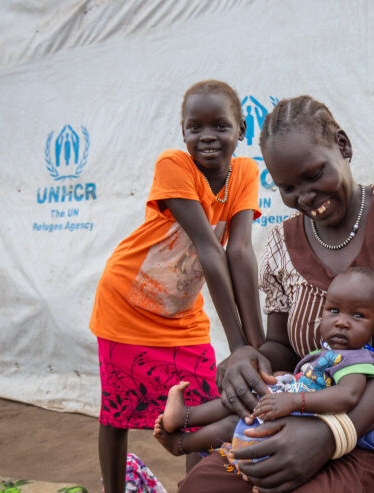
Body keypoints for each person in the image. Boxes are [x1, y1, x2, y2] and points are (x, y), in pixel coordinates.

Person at [178, 95, 374, 492]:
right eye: (288, 187)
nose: (305, 197)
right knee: (203, 487)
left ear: (343, 146)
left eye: (313, 175)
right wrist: (249, 358)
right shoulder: (280, 243)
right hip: (297, 417)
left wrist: (333, 434)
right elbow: (282, 347)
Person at [88, 79, 265, 493]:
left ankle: (193, 487)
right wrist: (239, 344)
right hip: (125, 303)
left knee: (198, 407)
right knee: (116, 413)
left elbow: (239, 252)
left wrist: (258, 346)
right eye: (194, 128)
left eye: (220, 126)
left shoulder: (245, 172)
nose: (207, 137)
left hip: (180, 314)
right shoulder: (175, 164)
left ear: (241, 130)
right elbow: (208, 248)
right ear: (182, 132)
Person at [153, 268, 374, 466]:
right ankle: (185, 416)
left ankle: (183, 444)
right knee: (246, 399)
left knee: (237, 422)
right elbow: (315, 379)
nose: (342, 323)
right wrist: (288, 378)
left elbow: (347, 395)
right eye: (334, 311)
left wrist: (296, 400)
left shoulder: (358, 359)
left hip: (315, 419)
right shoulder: (327, 351)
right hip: (300, 405)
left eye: (357, 316)